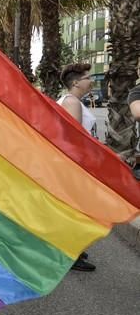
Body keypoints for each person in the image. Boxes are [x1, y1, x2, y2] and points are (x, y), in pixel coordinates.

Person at [57, 63, 97, 272]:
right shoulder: (72, 102)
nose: (92, 81)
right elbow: (75, 139)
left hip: (70, 164)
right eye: (88, 77)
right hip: (75, 165)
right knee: (76, 210)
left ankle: (71, 250)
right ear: (76, 83)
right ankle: (70, 255)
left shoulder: (69, 100)